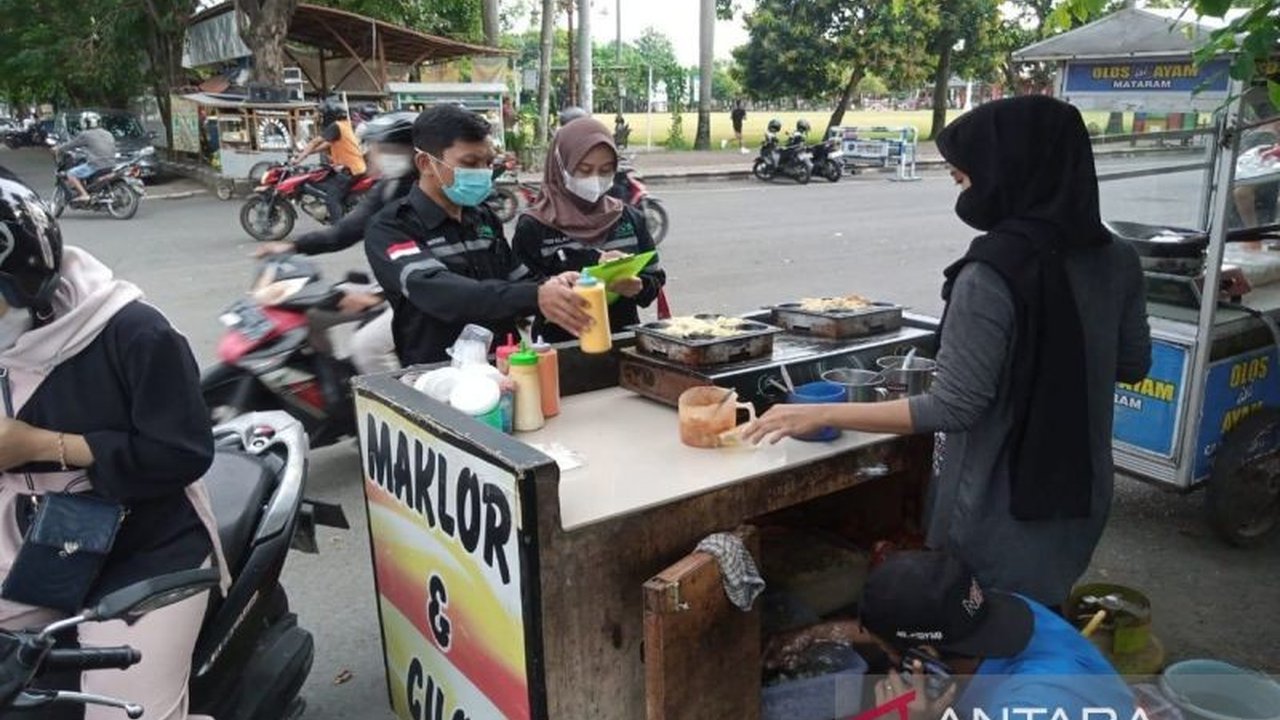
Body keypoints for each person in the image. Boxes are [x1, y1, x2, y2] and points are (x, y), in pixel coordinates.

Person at [744, 96, 1152, 608]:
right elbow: (1134, 364)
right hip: (1082, 493)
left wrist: (822, 412)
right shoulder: (1117, 258)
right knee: (1037, 624)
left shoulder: (991, 274)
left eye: (964, 181)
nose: (962, 195)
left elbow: (954, 406)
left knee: (982, 634)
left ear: (1012, 172)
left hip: (998, 508)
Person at [0, 170, 227, 720]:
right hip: (31, 539)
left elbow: (183, 452)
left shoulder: (133, 332)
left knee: (122, 713)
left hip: (142, 548)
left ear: (18, 276)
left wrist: (42, 444)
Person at [768, 551, 1134, 720]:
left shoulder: (1028, 707)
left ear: (924, 655)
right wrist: (816, 633)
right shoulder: (1006, 612)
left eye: (886, 647)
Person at [365, 104, 592, 365]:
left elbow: (517, 278)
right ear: (426, 163)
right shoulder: (392, 227)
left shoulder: (482, 217)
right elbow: (438, 292)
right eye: (470, 163)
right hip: (439, 377)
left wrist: (554, 285)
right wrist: (535, 295)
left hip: (507, 366)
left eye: (487, 163)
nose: (483, 172)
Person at [256, 111, 421, 375]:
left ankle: (397, 404)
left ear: (412, 152)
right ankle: (333, 384)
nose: (375, 155)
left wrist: (376, 296)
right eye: (375, 148)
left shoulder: (426, 193)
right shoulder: (388, 187)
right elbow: (346, 230)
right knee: (309, 315)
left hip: (418, 294)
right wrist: (293, 246)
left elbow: (429, 260)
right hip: (389, 285)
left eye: (385, 148)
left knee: (366, 346)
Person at [512, 117, 666, 343]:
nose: (595, 179)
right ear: (561, 167)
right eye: (584, 170)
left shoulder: (628, 218)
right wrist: (565, 282)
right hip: (561, 349)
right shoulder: (535, 225)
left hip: (624, 342)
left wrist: (638, 286)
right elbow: (518, 294)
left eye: (605, 170)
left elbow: (654, 280)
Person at [293, 100, 368, 223]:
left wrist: (299, 159)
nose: (321, 118)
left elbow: (314, 142)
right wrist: (303, 153)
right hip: (354, 168)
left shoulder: (336, 126)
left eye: (322, 115)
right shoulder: (344, 125)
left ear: (329, 114)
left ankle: (338, 228)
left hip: (350, 170)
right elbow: (325, 145)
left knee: (332, 197)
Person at [53, 111, 117, 203]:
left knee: (71, 174)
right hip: (111, 164)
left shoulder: (86, 134)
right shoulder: (108, 133)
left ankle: (84, 194)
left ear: (85, 123)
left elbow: (72, 144)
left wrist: (58, 149)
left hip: (97, 165)